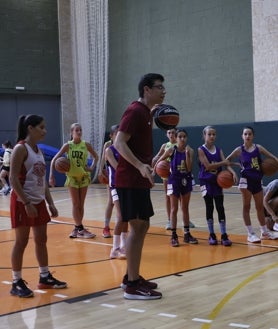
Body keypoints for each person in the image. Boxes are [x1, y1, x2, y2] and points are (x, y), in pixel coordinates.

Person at [114, 73, 164, 300]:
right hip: (129, 179)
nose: (163, 91)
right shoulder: (134, 111)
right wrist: (140, 166)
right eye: (159, 87)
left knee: (142, 226)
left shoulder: (146, 113)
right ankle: (132, 285)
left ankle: (131, 277)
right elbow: (119, 142)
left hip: (138, 179)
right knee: (137, 226)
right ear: (146, 89)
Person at [9, 114, 67, 298]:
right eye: (41, 127)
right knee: (21, 241)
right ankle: (16, 281)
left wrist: (50, 203)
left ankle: (44, 276)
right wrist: (26, 202)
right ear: (30, 129)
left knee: (41, 239)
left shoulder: (38, 149)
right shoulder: (20, 148)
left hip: (38, 200)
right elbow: (12, 178)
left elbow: (41, 181)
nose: (45, 130)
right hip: (21, 201)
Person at [226, 126, 278, 243]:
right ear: (242, 136)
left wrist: (276, 163)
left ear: (253, 136)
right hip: (245, 181)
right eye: (245, 134)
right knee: (247, 207)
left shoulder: (258, 148)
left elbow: (272, 157)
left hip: (257, 180)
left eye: (249, 134)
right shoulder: (239, 150)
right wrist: (233, 170)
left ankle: (264, 232)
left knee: (259, 207)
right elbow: (226, 161)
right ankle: (250, 233)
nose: (247, 136)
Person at [49, 123, 99, 239]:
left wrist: (91, 168)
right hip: (72, 177)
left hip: (84, 177)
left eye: (80, 130)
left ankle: (78, 228)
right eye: (77, 130)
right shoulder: (68, 146)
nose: (79, 132)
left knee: (81, 205)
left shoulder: (86, 145)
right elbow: (54, 160)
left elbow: (96, 156)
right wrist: (51, 175)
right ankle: (80, 228)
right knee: (75, 204)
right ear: (72, 133)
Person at [154, 129, 197, 247]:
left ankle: (187, 234)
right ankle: (174, 235)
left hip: (186, 179)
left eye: (184, 137)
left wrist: (187, 155)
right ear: (176, 139)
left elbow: (189, 169)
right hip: (174, 180)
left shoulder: (190, 151)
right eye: (180, 137)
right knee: (174, 208)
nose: (182, 139)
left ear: (186, 138)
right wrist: (157, 171)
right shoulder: (171, 150)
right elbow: (159, 161)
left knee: (185, 208)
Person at [198, 126, 237, 246]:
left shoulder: (219, 150)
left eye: (214, 134)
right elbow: (208, 166)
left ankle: (224, 235)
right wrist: (224, 163)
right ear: (204, 135)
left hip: (217, 182)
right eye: (209, 134)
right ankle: (212, 234)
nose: (212, 136)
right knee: (209, 207)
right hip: (205, 182)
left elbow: (226, 163)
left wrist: (232, 172)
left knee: (220, 207)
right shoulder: (201, 150)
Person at [105, 128, 128, 259]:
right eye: (116, 133)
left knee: (126, 217)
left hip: (126, 186)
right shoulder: (109, 150)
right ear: (111, 135)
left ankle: (123, 246)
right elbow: (117, 168)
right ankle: (114, 249)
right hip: (115, 186)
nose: (119, 135)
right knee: (120, 216)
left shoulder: (124, 149)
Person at [98, 125, 119, 238]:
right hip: (111, 175)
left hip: (121, 178)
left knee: (118, 204)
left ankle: (119, 227)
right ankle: (106, 227)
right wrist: (100, 171)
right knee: (111, 202)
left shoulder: (122, 145)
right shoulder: (108, 145)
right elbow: (103, 159)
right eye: (116, 133)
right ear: (111, 135)